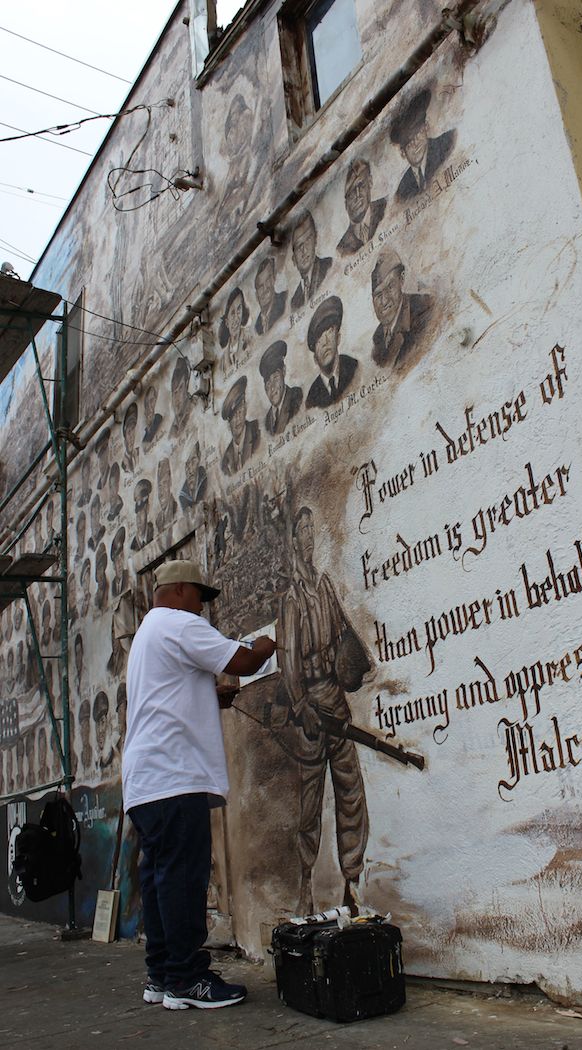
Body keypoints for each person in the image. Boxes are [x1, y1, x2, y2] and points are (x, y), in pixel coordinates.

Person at [122, 558, 275, 1009]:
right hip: (173, 778)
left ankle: (162, 975)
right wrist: (270, 642)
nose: (203, 610)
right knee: (183, 880)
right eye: (201, 599)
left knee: (158, 879)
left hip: (147, 782)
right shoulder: (177, 624)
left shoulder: (148, 634)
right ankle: (189, 980)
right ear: (182, 590)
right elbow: (244, 659)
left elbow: (167, 695)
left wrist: (211, 696)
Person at [278, 506, 373, 915]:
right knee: (310, 803)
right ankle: (304, 885)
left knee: (351, 792)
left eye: (311, 529)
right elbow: (288, 660)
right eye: (303, 530)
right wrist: (301, 705)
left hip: (336, 700)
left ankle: (352, 883)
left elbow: (344, 635)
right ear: (292, 540)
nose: (310, 536)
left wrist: (353, 664)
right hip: (312, 711)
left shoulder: (325, 587)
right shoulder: (293, 599)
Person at [370, 247, 434, 369]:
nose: (384, 301)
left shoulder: (424, 309)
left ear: (402, 279)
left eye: (390, 287)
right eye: (378, 295)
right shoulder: (378, 338)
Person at [390, 87, 455, 201]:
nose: (415, 143)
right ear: (402, 152)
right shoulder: (402, 190)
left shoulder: (448, 144)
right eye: (408, 142)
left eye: (418, 132)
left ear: (426, 127)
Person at [305, 296, 357, 410]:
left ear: (338, 338)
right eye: (319, 340)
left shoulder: (354, 368)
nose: (325, 342)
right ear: (315, 358)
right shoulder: (312, 398)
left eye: (329, 332)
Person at [337, 159, 387, 256]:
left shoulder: (386, 208)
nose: (358, 194)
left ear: (370, 182)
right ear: (345, 202)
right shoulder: (343, 246)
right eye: (351, 191)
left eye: (361, 185)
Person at [289, 210, 332, 310]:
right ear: (293, 257)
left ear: (315, 239)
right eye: (299, 246)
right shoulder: (295, 301)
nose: (304, 251)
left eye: (308, 239)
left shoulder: (329, 267)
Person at [259, 341, 302, 436]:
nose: (272, 387)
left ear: (284, 371)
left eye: (275, 377)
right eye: (268, 383)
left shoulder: (297, 398)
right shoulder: (267, 422)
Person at [221, 376, 260, 475]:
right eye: (233, 415)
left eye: (239, 411)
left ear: (245, 408)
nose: (237, 418)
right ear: (228, 423)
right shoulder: (225, 461)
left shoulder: (257, 433)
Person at [253, 256, 286, 335]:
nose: (265, 289)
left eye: (268, 280)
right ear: (256, 294)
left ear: (273, 279)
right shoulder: (257, 326)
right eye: (260, 286)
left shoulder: (285, 301)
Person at [179, 442, 207, 512]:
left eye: (193, 460)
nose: (190, 470)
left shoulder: (205, 480)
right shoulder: (183, 496)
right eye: (187, 464)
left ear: (199, 457)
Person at [155, 459, 178, 533]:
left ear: (170, 482)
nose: (161, 492)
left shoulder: (175, 509)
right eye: (159, 486)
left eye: (164, 483)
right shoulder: (158, 520)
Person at [131, 480, 154, 552]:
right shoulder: (134, 545)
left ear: (147, 509)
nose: (139, 519)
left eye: (141, 513)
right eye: (137, 514)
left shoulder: (153, 532)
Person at [142, 385, 163, 451]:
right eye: (147, 403)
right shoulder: (146, 430)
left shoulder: (158, 419)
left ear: (155, 401)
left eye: (151, 401)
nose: (149, 406)